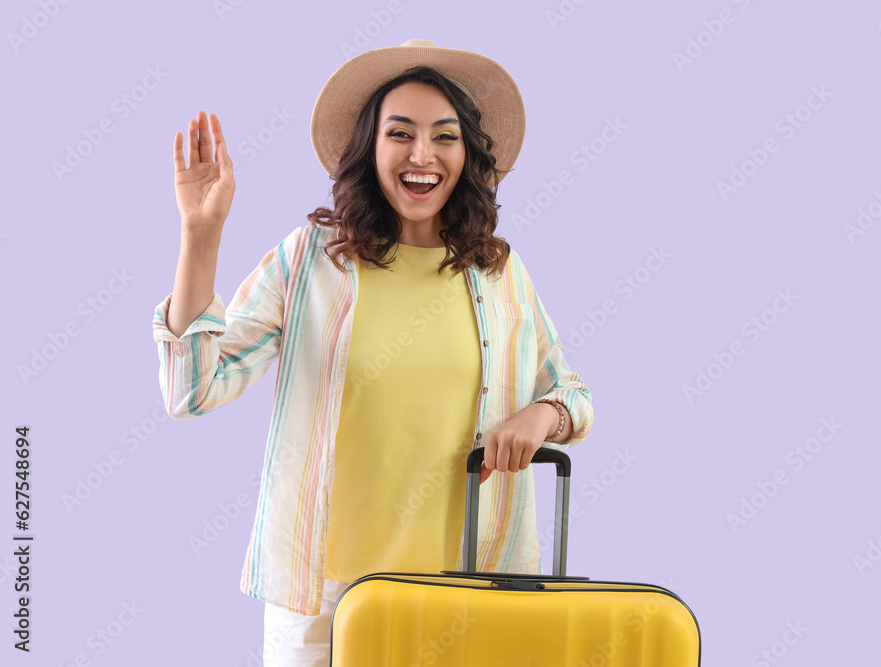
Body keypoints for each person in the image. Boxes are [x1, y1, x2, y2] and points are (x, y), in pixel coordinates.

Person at [152, 38, 594, 666]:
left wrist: (540, 416)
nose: (423, 155)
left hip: (466, 596)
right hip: (325, 603)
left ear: (466, 153)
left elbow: (572, 395)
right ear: (370, 147)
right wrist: (201, 235)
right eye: (400, 133)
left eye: (445, 135)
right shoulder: (309, 260)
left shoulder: (499, 273)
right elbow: (192, 391)